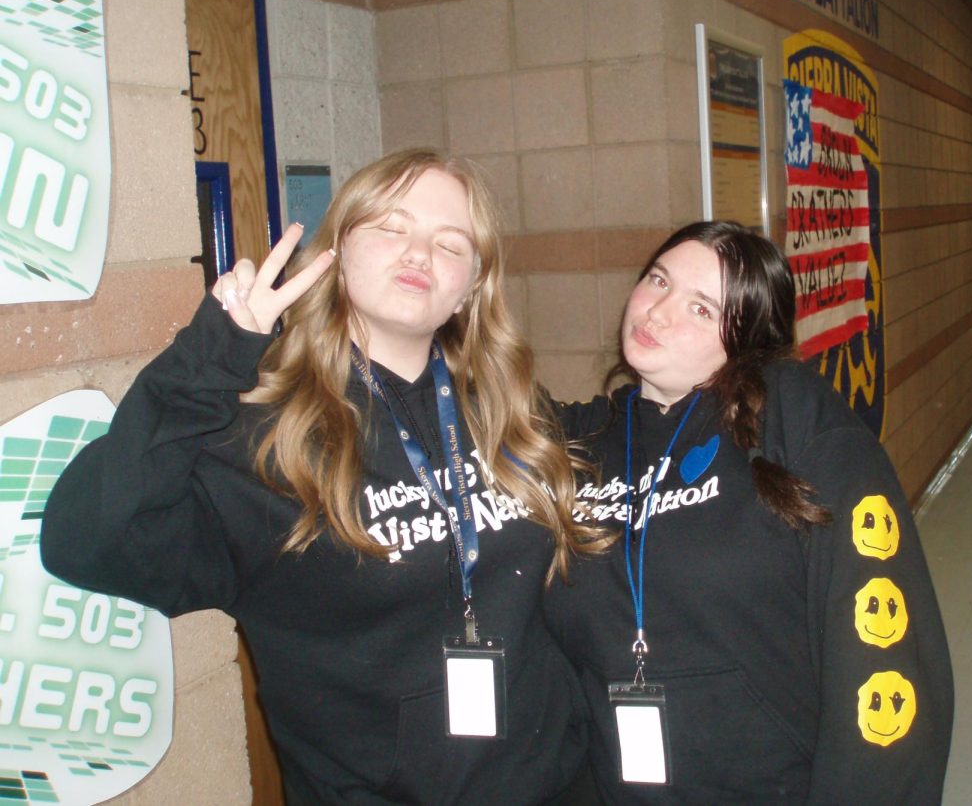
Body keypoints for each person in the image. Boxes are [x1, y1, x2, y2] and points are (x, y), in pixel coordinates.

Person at [41, 149, 600, 804]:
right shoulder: (265, 435)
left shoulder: (511, 413)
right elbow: (89, 542)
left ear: (471, 287)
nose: (418, 253)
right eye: (391, 228)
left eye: (449, 244)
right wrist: (212, 358)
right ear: (336, 250)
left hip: (558, 785)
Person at [546, 221, 954, 803]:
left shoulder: (794, 420)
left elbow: (885, 649)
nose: (658, 312)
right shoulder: (584, 440)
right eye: (658, 280)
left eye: (702, 309)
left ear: (748, 340)